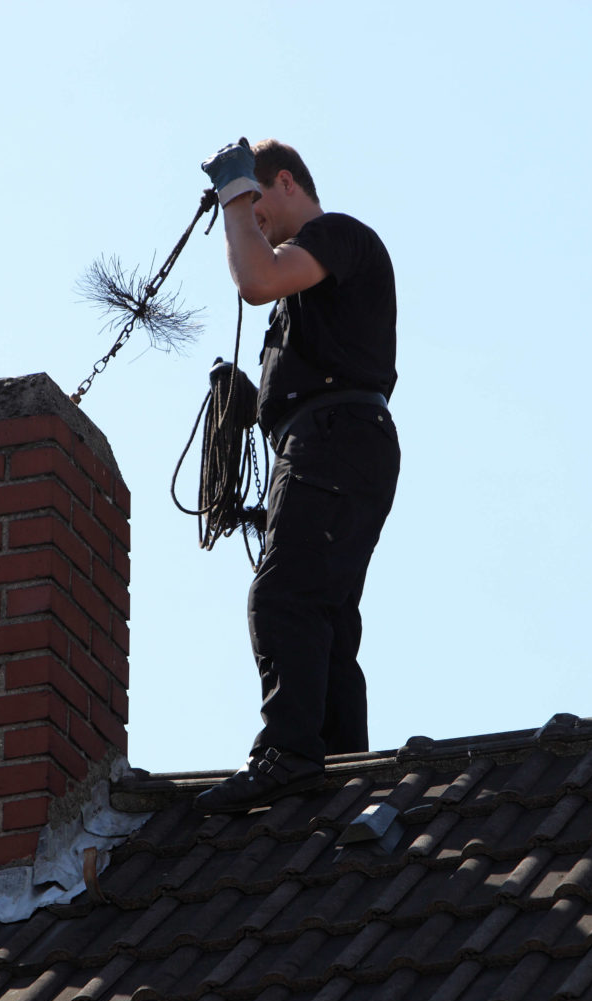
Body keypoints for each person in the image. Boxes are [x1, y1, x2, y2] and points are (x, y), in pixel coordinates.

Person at [193, 138, 400, 814]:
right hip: (334, 442)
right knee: (325, 613)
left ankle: (289, 753)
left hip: (335, 440)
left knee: (283, 595)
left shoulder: (337, 235)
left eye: (257, 210)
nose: (250, 227)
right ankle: (339, 767)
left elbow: (255, 281)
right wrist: (255, 403)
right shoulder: (306, 292)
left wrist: (232, 193)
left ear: (284, 183)